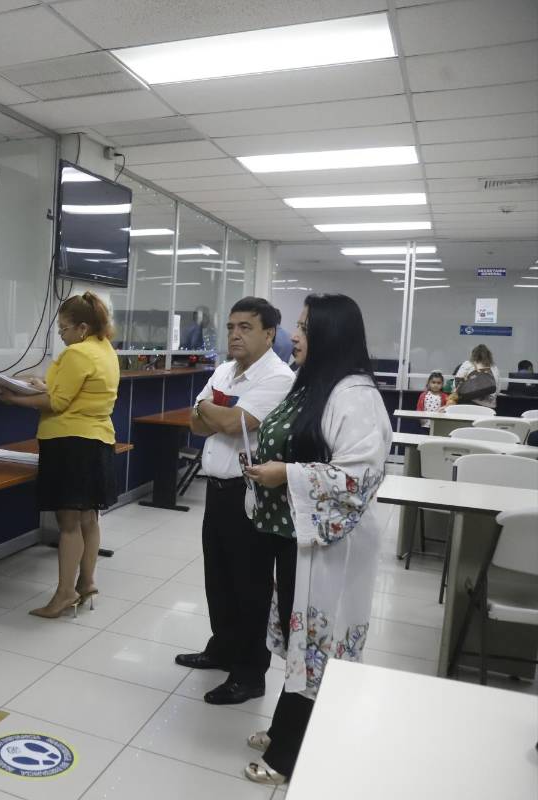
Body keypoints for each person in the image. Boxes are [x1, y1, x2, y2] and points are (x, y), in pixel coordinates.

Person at [243, 293, 392, 785]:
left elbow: (359, 478)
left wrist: (286, 472)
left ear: (330, 334)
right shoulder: (315, 385)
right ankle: (286, 727)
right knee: (300, 637)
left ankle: (290, 753)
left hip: (331, 543)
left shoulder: (355, 396)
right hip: (298, 537)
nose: (296, 334)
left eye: (305, 326)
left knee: (318, 645)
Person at [175, 297, 295, 706]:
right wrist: (215, 413)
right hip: (217, 489)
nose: (235, 335)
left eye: (245, 327)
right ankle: (222, 647)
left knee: (250, 585)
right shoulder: (225, 370)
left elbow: (231, 422)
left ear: (268, 334)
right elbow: (194, 422)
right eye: (230, 327)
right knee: (219, 577)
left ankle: (249, 672)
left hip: (251, 496)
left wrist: (213, 410)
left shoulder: (278, 377)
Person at [0, 292, 120, 618]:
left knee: (68, 524)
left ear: (81, 327)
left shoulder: (77, 353)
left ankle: (64, 594)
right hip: (97, 441)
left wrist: (14, 399)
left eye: (64, 328)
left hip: (71, 444)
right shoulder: (104, 349)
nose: (61, 335)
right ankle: (87, 582)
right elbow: (69, 391)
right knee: (88, 518)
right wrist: (40, 383)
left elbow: (56, 403)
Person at [451, 344, 501, 408]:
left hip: (468, 403)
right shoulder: (494, 368)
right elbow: (497, 390)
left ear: (473, 354)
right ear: (489, 355)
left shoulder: (468, 364)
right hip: (488, 407)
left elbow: (456, 384)